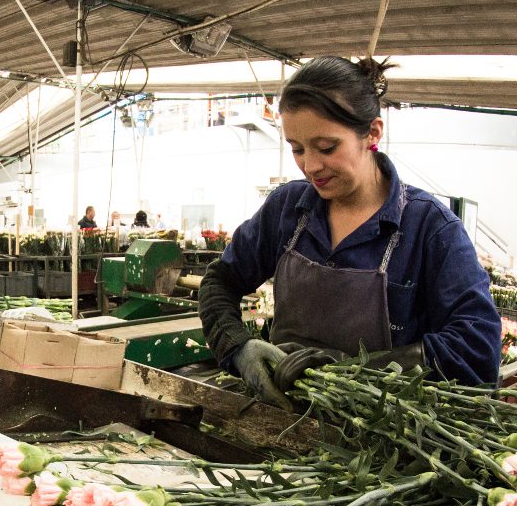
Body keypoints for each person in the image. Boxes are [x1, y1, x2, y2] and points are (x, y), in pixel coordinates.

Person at [199, 55, 501, 405]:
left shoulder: (430, 229)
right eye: (297, 149)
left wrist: (357, 370)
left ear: (372, 133)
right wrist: (238, 345)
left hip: (374, 440)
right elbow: (220, 281)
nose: (311, 166)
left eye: (327, 147)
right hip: (280, 416)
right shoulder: (287, 209)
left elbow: (476, 349)